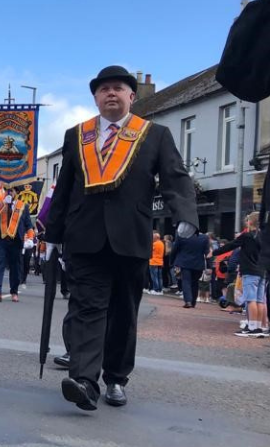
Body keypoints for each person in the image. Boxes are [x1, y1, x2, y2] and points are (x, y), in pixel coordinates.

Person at [44, 65, 197, 411]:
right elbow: (64, 187)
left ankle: (115, 378)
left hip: (131, 238)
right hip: (84, 237)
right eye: (103, 89)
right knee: (86, 307)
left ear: (132, 96)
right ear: (95, 97)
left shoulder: (154, 134)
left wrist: (186, 215)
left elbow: (175, 177)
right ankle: (84, 380)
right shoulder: (76, 135)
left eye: (118, 88)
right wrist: (52, 234)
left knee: (124, 313)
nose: (111, 93)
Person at [213, 213, 266, 337]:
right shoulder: (263, 237)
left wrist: (214, 252)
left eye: (247, 220)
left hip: (250, 271)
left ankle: (252, 327)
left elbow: (231, 245)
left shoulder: (246, 236)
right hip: (262, 271)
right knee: (260, 301)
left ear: (250, 222)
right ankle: (258, 326)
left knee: (250, 300)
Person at [0, 186, 33, 303]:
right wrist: (3, 203)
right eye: (7, 190)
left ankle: (14, 291)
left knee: (15, 267)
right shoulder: (1, 203)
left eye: (11, 190)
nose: (9, 192)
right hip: (0, 239)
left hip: (16, 241)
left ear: (16, 192)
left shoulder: (23, 206)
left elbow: (28, 225)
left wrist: (30, 238)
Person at [171, 230, 210, 308]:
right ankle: (193, 302)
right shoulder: (204, 238)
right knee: (195, 282)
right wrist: (209, 266)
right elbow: (207, 253)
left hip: (185, 262)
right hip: (198, 264)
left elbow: (174, 250)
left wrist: (171, 261)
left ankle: (188, 301)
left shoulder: (182, 236)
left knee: (186, 281)